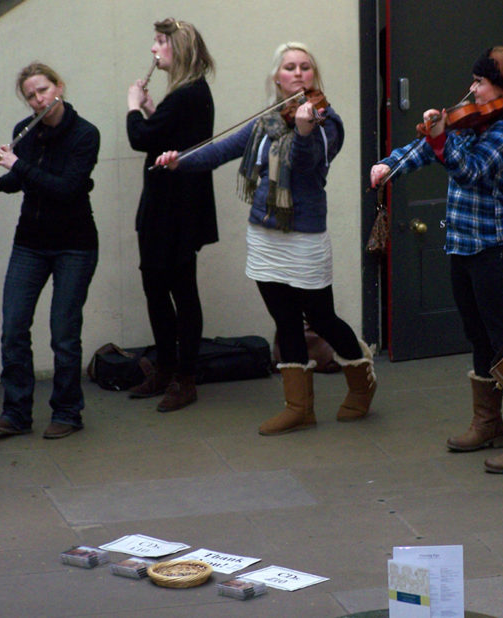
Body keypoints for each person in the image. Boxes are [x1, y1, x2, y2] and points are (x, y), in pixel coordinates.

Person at [154, 42, 376, 434]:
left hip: (304, 234)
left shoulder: (327, 123)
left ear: (314, 76)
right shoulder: (267, 121)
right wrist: (179, 161)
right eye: (290, 67)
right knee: (285, 318)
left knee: (321, 317)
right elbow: (221, 150)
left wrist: (306, 131)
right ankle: (298, 407)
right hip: (264, 235)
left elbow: (310, 167)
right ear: (277, 77)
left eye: (306, 67)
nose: (298, 73)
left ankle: (362, 382)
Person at [369, 47, 503, 474]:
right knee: (478, 336)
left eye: (480, 82)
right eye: (474, 79)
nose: (472, 87)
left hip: (495, 249)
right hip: (462, 245)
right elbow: (425, 150)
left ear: (501, 89)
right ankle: (488, 424)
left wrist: (442, 137)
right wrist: (389, 165)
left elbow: (472, 170)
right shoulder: (473, 118)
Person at [0, 62, 100, 439]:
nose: (37, 100)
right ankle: (16, 412)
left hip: (74, 246)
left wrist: (19, 166)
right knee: (13, 327)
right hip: (30, 242)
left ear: (59, 86)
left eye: (43, 90)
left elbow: (66, 188)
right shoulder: (24, 132)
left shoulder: (85, 134)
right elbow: (20, 181)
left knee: (63, 332)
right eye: (30, 95)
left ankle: (67, 412)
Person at [126, 17, 218, 412]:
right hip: (166, 203)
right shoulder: (184, 93)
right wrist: (150, 108)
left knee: (180, 289)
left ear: (177, 48)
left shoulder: (187, 94)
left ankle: (185, 376)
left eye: (160, 42)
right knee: (156, 285)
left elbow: (140, 139)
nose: (153, 49)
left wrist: (133, 107)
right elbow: (165, 134)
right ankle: (166, 367)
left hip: (176, 208)